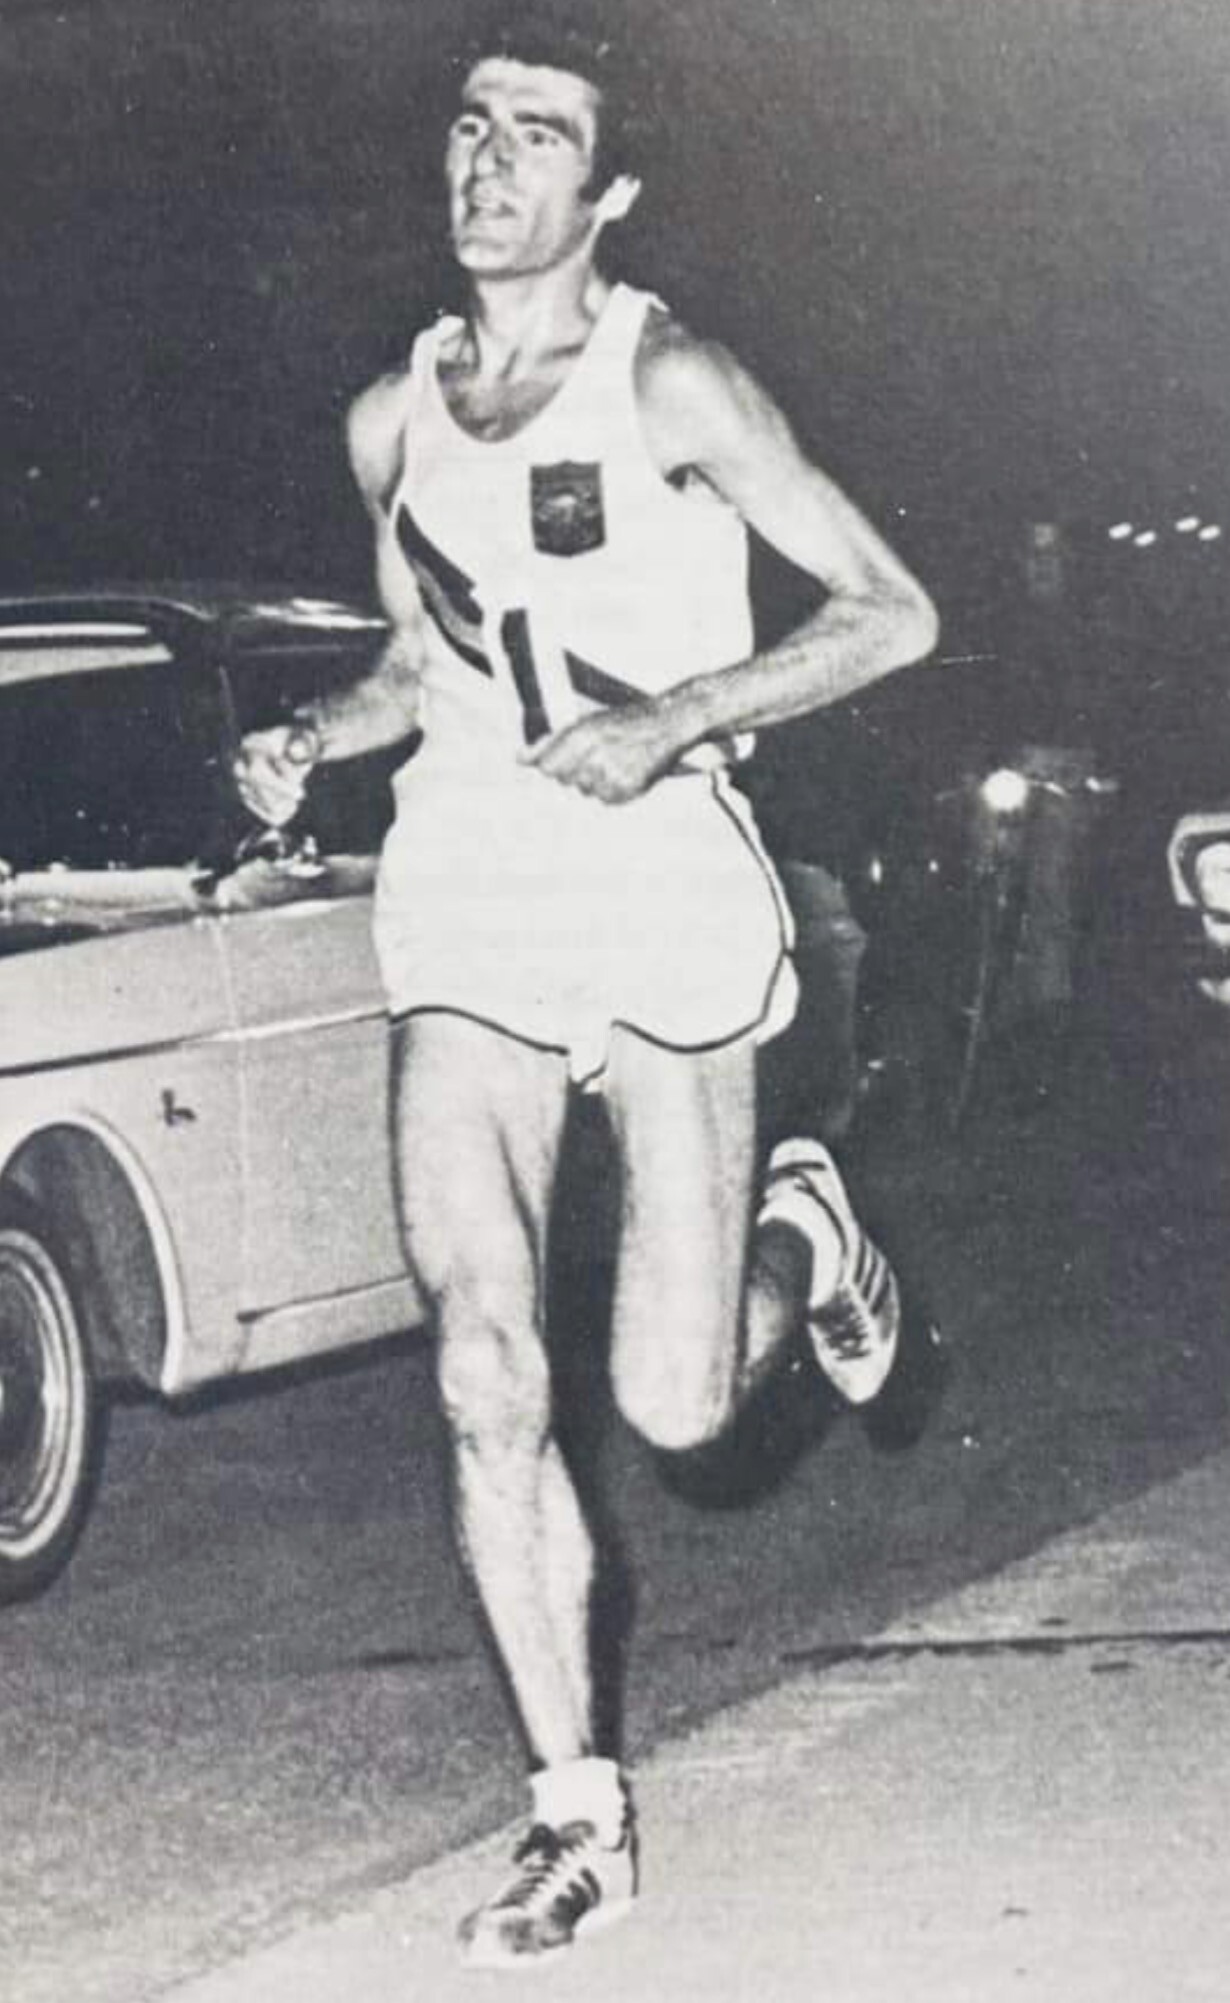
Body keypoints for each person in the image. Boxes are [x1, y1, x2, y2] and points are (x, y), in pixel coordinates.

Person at [235, 9, 942, 1969]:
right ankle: (575, 1815)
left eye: (538, 134)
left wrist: (679, 718)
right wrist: (317, 735)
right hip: (470, 883)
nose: (489, 161)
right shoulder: (391, 420)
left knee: (676, 1408)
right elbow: (421, 664)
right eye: (473, 125)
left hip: (655, 879)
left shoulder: (673, 382)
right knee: (483, 1363)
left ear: (608, 187)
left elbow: (893, 613)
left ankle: (804, 1230)